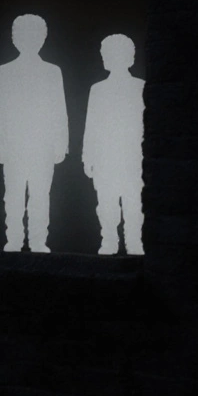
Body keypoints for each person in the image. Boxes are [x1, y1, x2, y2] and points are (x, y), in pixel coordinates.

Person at [0, 14, 69, 252]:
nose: (29, 40)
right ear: (15, 38)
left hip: (41, 145)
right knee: (13, 195)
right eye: (23, 34)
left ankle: (37, 241)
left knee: (40, 196)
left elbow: (59, 110)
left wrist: (60, 143)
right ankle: (13, 240)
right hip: (14, 144)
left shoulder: (52, 72)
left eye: (34, 35)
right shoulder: (4, 71)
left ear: (42, 38)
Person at [82, 33, 144, 255]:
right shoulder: (98, 90)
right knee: (107, 202)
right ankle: (109, 240)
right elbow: (92, 125)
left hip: (131, 156)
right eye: (103, 54)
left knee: (133, 202)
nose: (104, 57)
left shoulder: (140, 88)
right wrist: (88, 156)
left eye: (107, 54)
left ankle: (133, 241)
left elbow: (145, 124)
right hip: (106, 157)